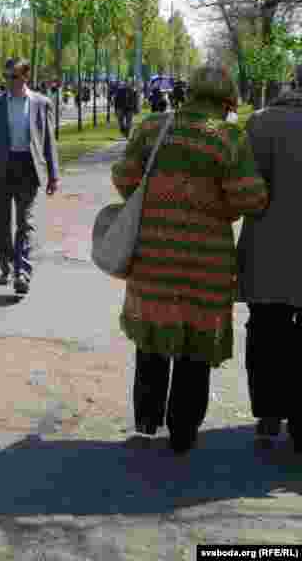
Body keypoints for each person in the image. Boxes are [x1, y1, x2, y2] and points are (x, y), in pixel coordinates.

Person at [113, 64, 268, 454]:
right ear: (227, 100)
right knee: (194, 348)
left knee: (152, 338)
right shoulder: (228, 138)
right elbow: (249, 198)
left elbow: (124, 176)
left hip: (153, 256)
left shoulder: (153, 127)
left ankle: (147, 420)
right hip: (205, 261)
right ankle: (183, 431)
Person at [237, 63, 302, 452]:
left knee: (265, 328)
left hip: (268, 245)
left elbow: (245, 189)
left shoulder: (260, 123)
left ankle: (268, 414)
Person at [0, 58, 60, 297]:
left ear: (25, 77)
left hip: (28, 168)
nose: (8, 81)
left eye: (13, 76)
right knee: (2, 224)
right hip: (0, 169)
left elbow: (48, 142)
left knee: (25, 222)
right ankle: (8, 264)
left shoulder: (41, 103)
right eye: (6, 76)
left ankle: (22, 271)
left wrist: (53, 174)